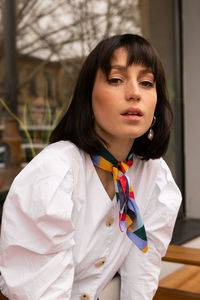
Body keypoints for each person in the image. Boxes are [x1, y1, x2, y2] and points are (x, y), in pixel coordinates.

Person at [0, 34, 181, 300]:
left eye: (146, 83)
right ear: (88, 96)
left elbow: (142, 271)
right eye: (116, 79)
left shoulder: (154, 175)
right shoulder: (54, 173)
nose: (134, 93)